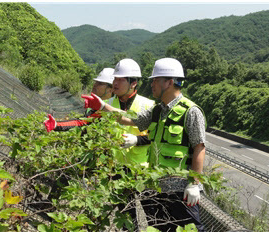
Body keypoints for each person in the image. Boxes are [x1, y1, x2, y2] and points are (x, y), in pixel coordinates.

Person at [82, 58, 206, 231]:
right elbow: (129, 119)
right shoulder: (158, 110)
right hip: (157, 186)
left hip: (180, 189)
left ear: (169, 82)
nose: (152, 84)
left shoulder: (191, 111)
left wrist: (194, 183)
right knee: (161, 228)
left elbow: (199, 147)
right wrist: (102, 106)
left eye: (155, 80)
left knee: (191, 230)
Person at [106, 58, 155, 167]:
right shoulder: (107, 105)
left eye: (121, 80)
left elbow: (156, 136)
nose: (115, 83)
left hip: (139, 169)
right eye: (115, 79)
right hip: (113, 168)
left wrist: (137, 140)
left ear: (133, 84)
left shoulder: (148, 105)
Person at [43, 68, 114, 132]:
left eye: (100, 83)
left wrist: (57, 125)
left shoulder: (106, 107)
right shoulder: (96, 103)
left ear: (110, 90)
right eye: (96, 82)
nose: (95, 85)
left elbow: (83, 122)